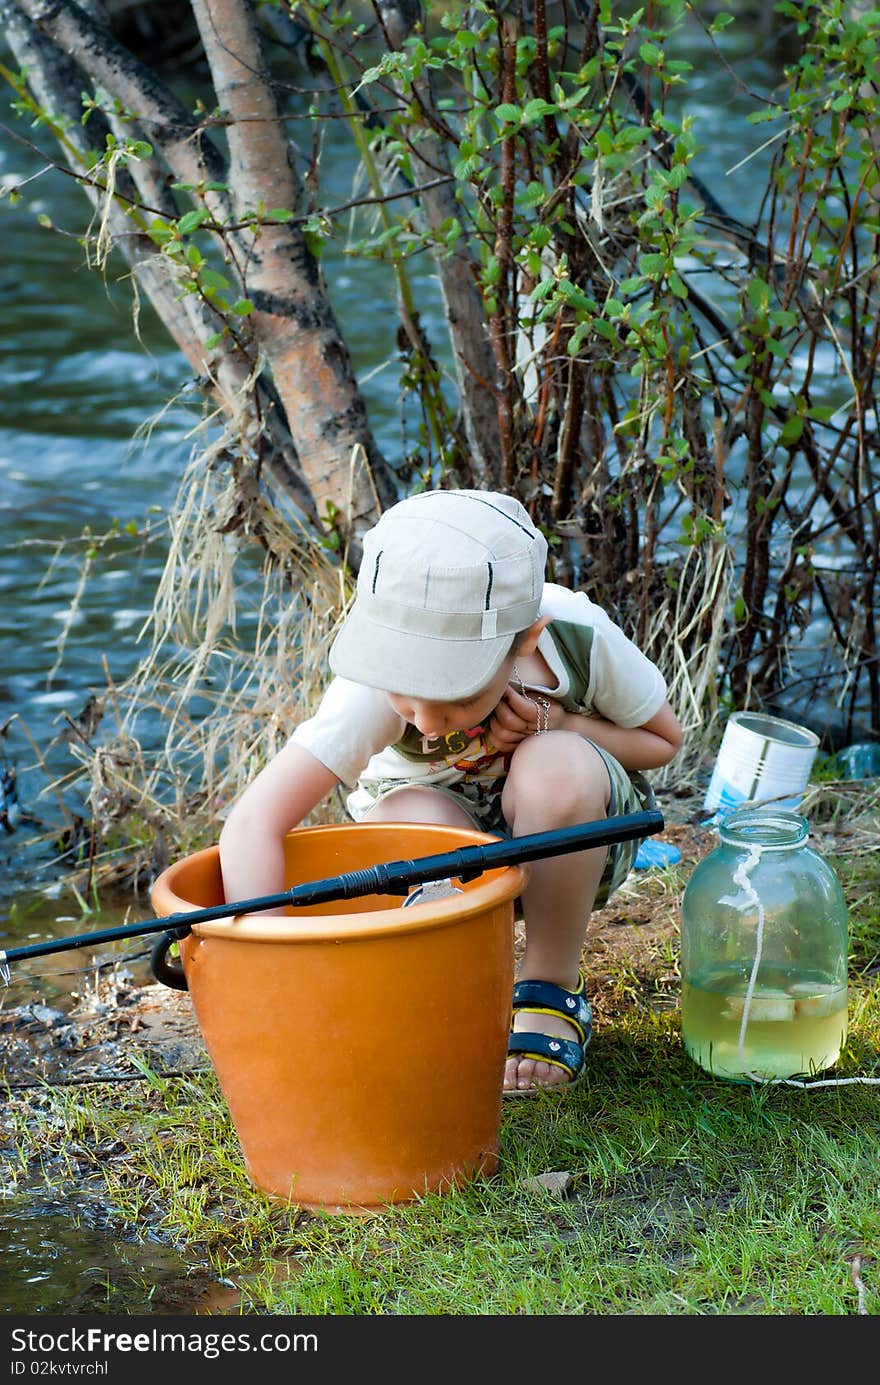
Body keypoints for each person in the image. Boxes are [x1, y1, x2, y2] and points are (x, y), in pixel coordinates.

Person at [219, 488, 682, 1095]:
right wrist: (271, 974)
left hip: (571, 844)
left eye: (457, 695)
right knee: (411, 812)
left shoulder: (574, 635)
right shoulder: (368, 688)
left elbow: (662, 741)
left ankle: (548, 986)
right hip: (428, 870)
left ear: (524, 639)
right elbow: (254, 823)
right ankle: (456, 992)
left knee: (556, 763)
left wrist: (557, 722)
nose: (427, 721)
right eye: (406, 697)